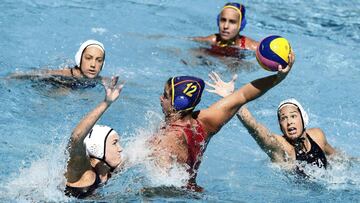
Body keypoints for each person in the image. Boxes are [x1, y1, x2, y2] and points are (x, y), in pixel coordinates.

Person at [148, 52, 294, 191]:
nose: (161, 98)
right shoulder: (204, 122)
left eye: (165, 96)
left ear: (178, 103)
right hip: (196, 192)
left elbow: (164, 185)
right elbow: (243, 95)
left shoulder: (167, 140)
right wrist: (279, 78)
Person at [206, 71, 337, 175]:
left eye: (293, 116)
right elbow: (254, 127)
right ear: (280, 126)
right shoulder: (282, 149)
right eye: (283, 118)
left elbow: (338, 158)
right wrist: (231, 97)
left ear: (303, 118)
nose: (289, 121)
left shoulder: (317, 136)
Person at [64, 76, 125, 198]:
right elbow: (76, 137)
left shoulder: (109, 167)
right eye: (114, 143)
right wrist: (106, 103)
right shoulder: (81, 170)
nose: (120, 149)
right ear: (98, 147)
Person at [9, 39, 106, 88]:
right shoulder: (65, 73)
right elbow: (38, 74)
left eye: (99, 60)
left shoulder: (99, 80)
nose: (93, 64)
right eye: (88, 58)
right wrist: (12, 77)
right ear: (79, 59)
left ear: (103, 64)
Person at [192, 2, 259, 57]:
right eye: (223, 20)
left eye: (232, 22)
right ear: (218, 21)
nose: (225, 26)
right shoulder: (213, 40)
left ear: (240, 25)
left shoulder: (251, 46)